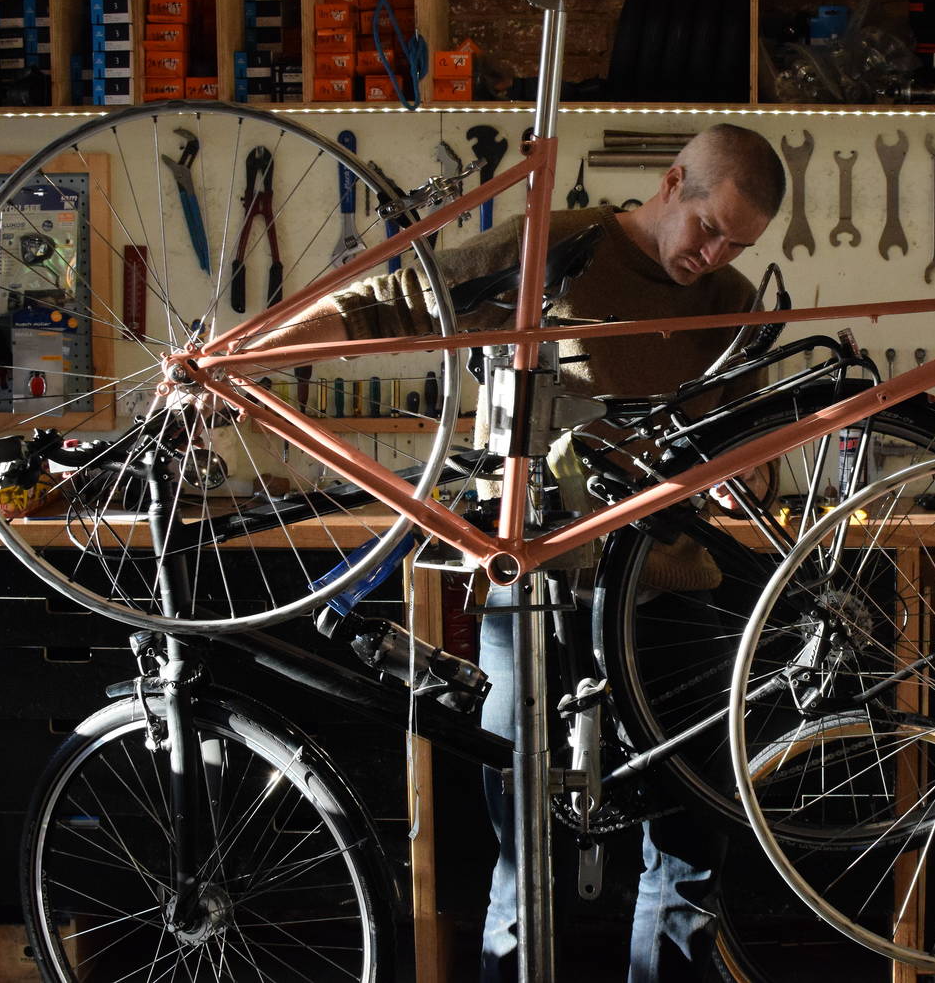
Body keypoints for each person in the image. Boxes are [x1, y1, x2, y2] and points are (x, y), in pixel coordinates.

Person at [256, 123, 786, 981]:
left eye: (739, 243)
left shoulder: (730, 299)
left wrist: (745, 482)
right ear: (672, 180)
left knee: (689, 851)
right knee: (523, 850)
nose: (715, 253)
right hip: (544, 590)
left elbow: (744, 448)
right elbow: (399, 301)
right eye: (710, 227)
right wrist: (260, 351)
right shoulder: (556, 245)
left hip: (673, 598)